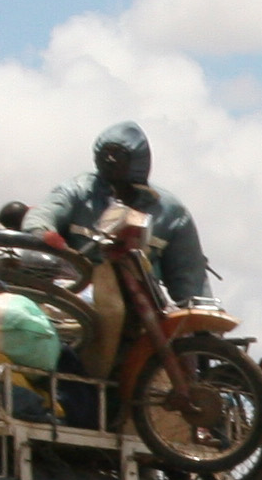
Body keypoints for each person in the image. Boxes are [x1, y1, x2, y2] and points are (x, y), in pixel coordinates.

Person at [33, 122, 215, 375]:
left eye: (118, 154)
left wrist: (203, 320)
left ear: (138, 159)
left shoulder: (171, 212)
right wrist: (47, 236)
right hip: (83, 287)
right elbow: (44, 215)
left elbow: (189, 276)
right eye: (105, 152)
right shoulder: (77, 190)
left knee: (183, 349)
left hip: (142, 293)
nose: (109, 159)